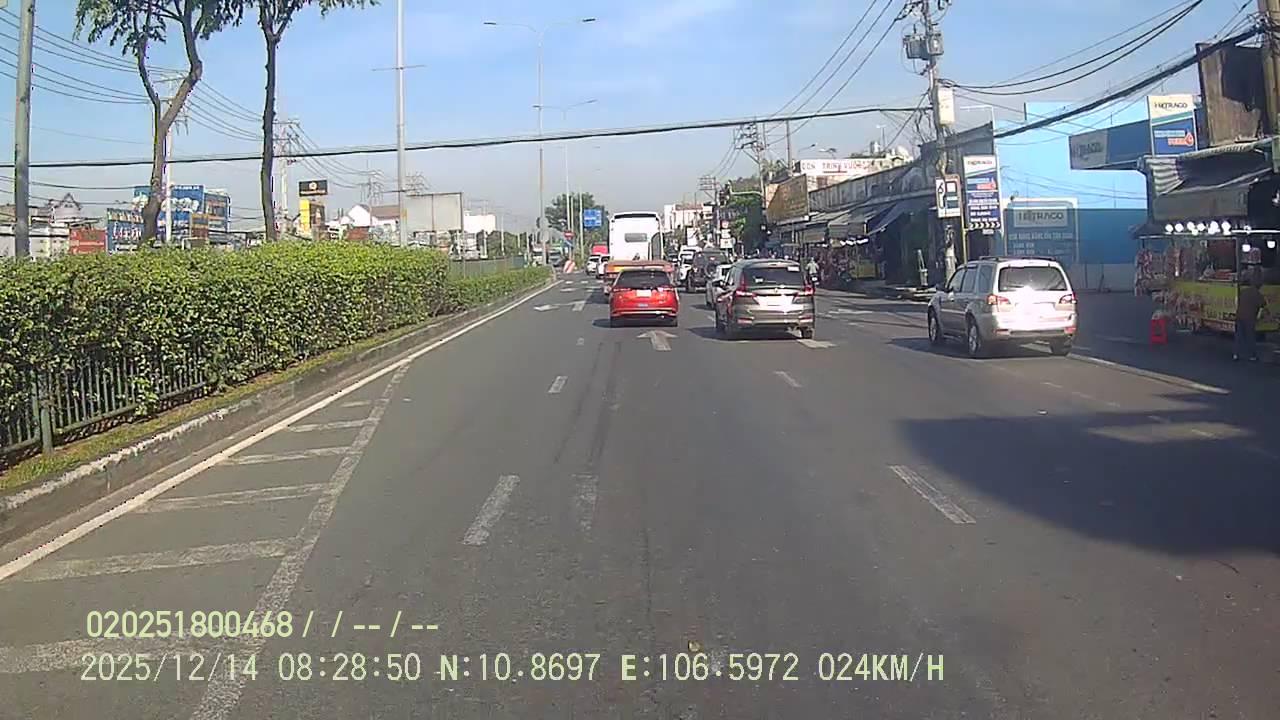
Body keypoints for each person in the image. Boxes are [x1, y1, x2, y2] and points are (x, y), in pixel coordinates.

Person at [1234, 269, 1269, 361]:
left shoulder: (1244, 291)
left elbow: (1237, 301)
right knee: (1250, 336)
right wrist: (1262, 317)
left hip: (1239, 315)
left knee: (1239, 336)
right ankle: (1252, 355)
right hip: (1249, 318)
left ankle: (1236, 354)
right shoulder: (1258, 295)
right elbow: (1263, 307)